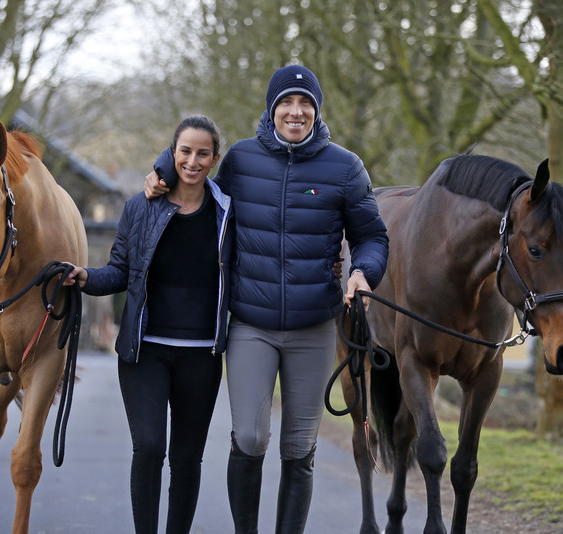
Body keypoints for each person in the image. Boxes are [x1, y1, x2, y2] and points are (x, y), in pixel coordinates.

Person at [146, 65, 389, 534]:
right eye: (286, 102)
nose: (295, 112)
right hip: (250, 324)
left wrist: (362, 272)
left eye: (305, 104)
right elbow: (194, 169)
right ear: (272, 108)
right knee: (252, 437)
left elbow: (372, 236)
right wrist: (160, 168)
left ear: (317, 111)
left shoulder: (345, 166)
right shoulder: (240, 160)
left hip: (315, 325)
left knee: (299, 446)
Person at [64, 115, 233, 534]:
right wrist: (84, 277)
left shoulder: (228, 214)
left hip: (202, 356)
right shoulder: (140, 207)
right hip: (145, 352)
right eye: (184, 151)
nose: (192, 161)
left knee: (187, 457)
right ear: (171, 153)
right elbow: (120, 271)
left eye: (202, 153)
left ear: (215, 158)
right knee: (150, 446)